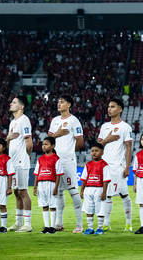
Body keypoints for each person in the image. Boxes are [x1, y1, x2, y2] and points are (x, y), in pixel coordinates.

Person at [48, 94, 84, 233]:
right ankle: (58, 223)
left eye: (62, 102)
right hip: (55, 160)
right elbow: (49, 139)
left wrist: (68, 152)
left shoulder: (74, 121)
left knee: (73, 191)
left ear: (69, 105)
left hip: (68, 161)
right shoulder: (55, 120)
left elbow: (80, 142)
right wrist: (57, 134)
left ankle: (79, 224)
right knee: (59, 192)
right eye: (58, 101)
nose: (59, 104)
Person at [97, 98, 133, 232]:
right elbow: (98, 146)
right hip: (105, 166)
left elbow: (128, 147)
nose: (109, 109)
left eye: (112, 106)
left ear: (120, 109)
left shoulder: (125, 127)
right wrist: (107, 140)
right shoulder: (104, 127)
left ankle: (128, 224)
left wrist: (127, 166)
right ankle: (106, 223)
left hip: (118, 166)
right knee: (106, 194)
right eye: (108, 106)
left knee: (124, 194)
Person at [6, 96, 33, 233]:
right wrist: (8, 138)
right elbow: (8, 142)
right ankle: (18, 222)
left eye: (15, 102)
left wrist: (26, 157)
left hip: (21, 161)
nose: (11, 103)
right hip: (13, 161)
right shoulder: (13, 122)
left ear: (21, 107)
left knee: (23, 191)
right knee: (16, 192)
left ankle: (27, 224)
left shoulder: (24, 120)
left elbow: (29, 143)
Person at [33, 137, 63, 234]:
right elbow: (37, 173)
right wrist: (35, 187)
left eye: (46, 144)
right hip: (41, 184)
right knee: (44, 205)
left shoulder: (56, 159)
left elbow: (58, 174)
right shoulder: (40, 159)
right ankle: (46, 226)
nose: (43, 146)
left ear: (53, 146)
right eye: (43, 144)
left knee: (52, 205)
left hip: (51, 183)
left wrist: (56, 187)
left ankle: (52, 227)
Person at [80, 143, 111, 235]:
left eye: (96, 151)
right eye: (92, 151)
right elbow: (84, 179)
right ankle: (90, 228)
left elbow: (106, 180)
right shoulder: (88, 165)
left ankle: (100, 228)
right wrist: (82, 190)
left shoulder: (104, 165)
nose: (94, 153)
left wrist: (104, 192)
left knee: (100, 209)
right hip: (88, 189)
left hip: (99, 189)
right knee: (88, 209)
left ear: (102, 152)